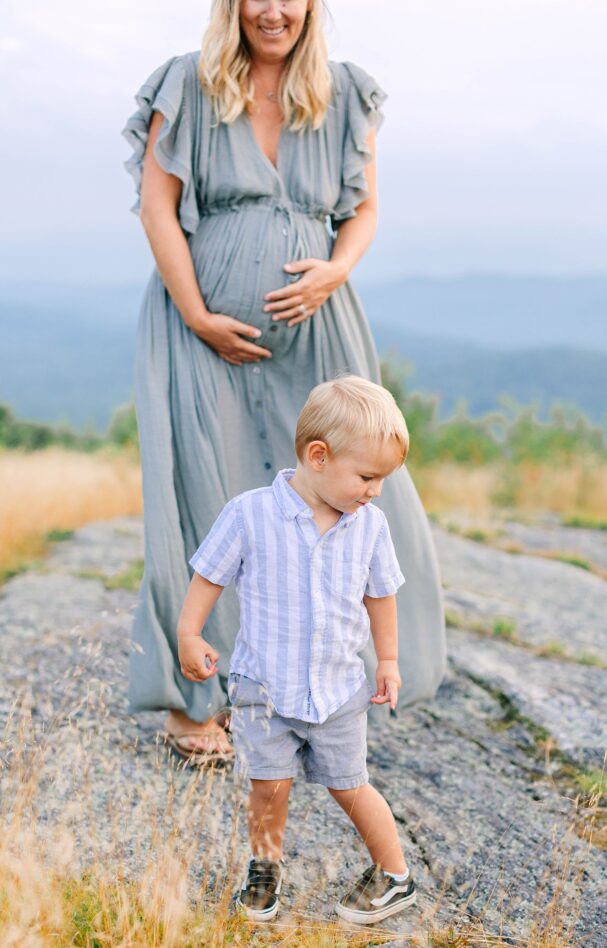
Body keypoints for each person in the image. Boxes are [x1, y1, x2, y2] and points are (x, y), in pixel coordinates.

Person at [123, 0, 445, 763]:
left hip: (320, 326)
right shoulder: (187, 85)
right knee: (204, 494)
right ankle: (196, 701)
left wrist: (334, 269)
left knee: (354, 492)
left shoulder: (342, 93)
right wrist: (197, 313)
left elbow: (362, 210)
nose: (274, 10)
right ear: (231, 6)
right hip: (199, 328)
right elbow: (155, 206)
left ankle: (331, 681)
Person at [178, 377, 416, 923]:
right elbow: (209, 575)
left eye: (381, 479)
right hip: (264, 687)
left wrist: (388, 660)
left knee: (350, 785)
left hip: (337, 689)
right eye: (366, 476)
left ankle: (395, 874)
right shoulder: (250, 514)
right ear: (318, 456)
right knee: (269, 787)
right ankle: (265, 870)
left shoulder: (370, 526)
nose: (374, 490)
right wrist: (190, 633)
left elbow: (381, 595)